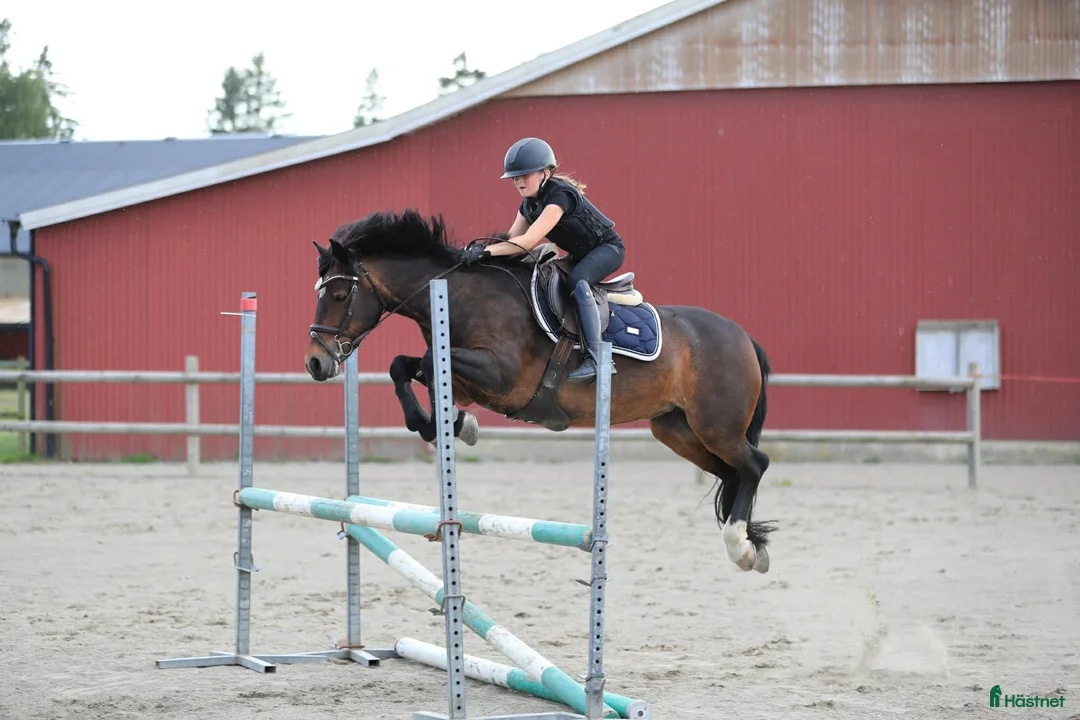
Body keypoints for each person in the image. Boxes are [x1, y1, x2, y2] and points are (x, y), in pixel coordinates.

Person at [458, 137, 625, 383]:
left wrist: (486, 252)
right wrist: (480, 254)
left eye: (525, 175)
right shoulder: (528, 206)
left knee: (578, 280)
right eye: (515, 177)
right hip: (578, 254)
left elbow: (527, 241)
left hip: (607, 249)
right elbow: (511, 243)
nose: (519, 181)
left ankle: (598, 357)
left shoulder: (560, 196)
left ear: (546, 173)